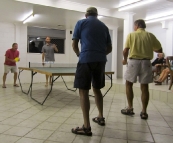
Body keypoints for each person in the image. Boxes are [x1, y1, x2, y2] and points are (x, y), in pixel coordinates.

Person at [71, 7, 112, 136]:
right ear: (97, 15)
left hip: (86, 60)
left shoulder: (81, 23)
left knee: (83, 91)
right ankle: (100, 116)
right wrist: (99, 54)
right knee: (97, 89)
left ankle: (86, 126)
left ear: (86, 14)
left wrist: (80, 54)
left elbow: (74, 44)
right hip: (100, 60)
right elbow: (109, 48)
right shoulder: (104, 26)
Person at [121, 19, 163, 120]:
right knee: (144, 87)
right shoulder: (150, 35)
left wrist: (125, 59)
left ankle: (130, 108)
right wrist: (150, 48)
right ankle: (144, 112)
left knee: (128, 84)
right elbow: (160, 49)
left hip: (133, 62)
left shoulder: (131, 35)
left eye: (134, 26)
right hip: (146, 62)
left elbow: (126, 50)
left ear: (136, 26)